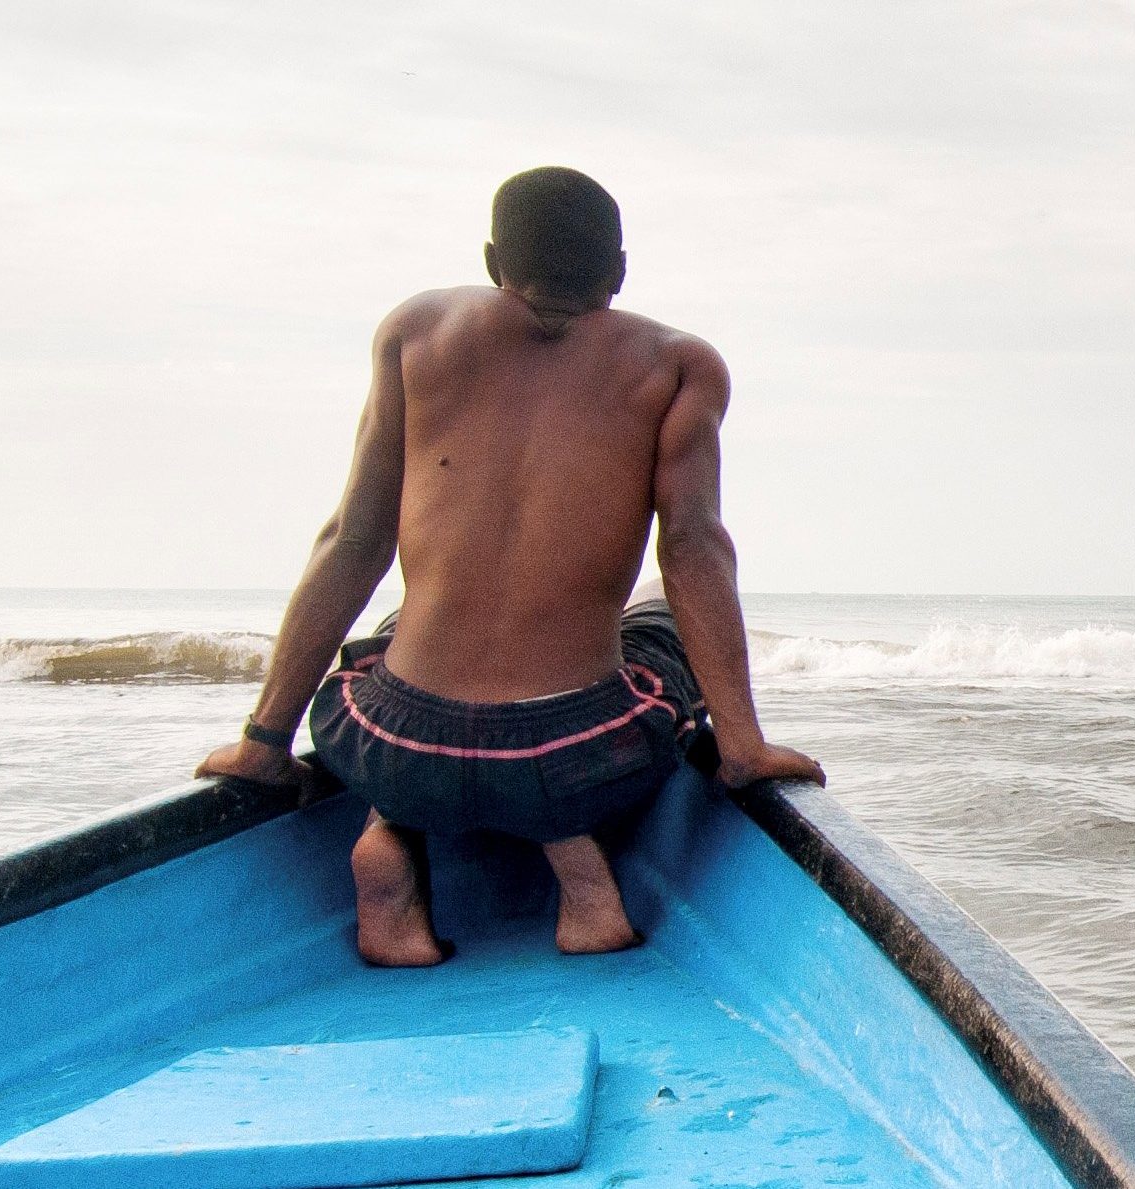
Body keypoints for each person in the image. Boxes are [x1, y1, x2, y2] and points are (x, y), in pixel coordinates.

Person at [195, 166, 825, 968]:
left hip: (393, 748)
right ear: (620, 271)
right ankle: (581, 875)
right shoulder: (678, 365)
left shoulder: (413, 331)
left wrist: (263, 741)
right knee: (660, 617)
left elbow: (352, 542)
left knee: (393, 634)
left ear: (494, 261)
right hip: (581, 759)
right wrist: (742, 746)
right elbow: (694, 548)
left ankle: (390, 828)